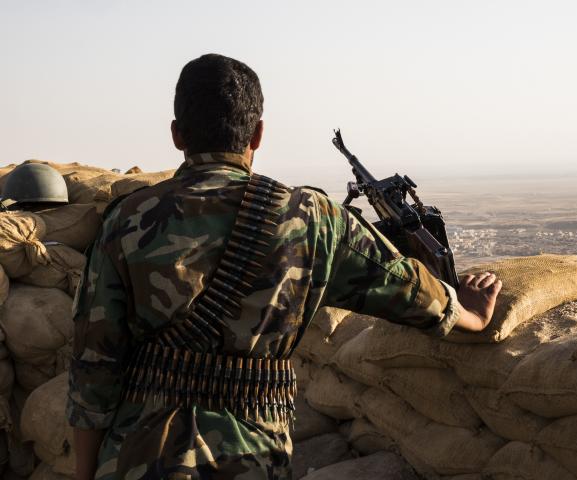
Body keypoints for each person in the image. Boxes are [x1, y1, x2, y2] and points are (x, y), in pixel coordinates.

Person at [67, 53, 502, 480]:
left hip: (136, 457)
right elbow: (404, 287)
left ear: (177, 134)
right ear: (257, 134)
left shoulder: (126, 218)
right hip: (250, 458)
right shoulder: (313, 216)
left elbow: (93, 369)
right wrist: (469, 313)